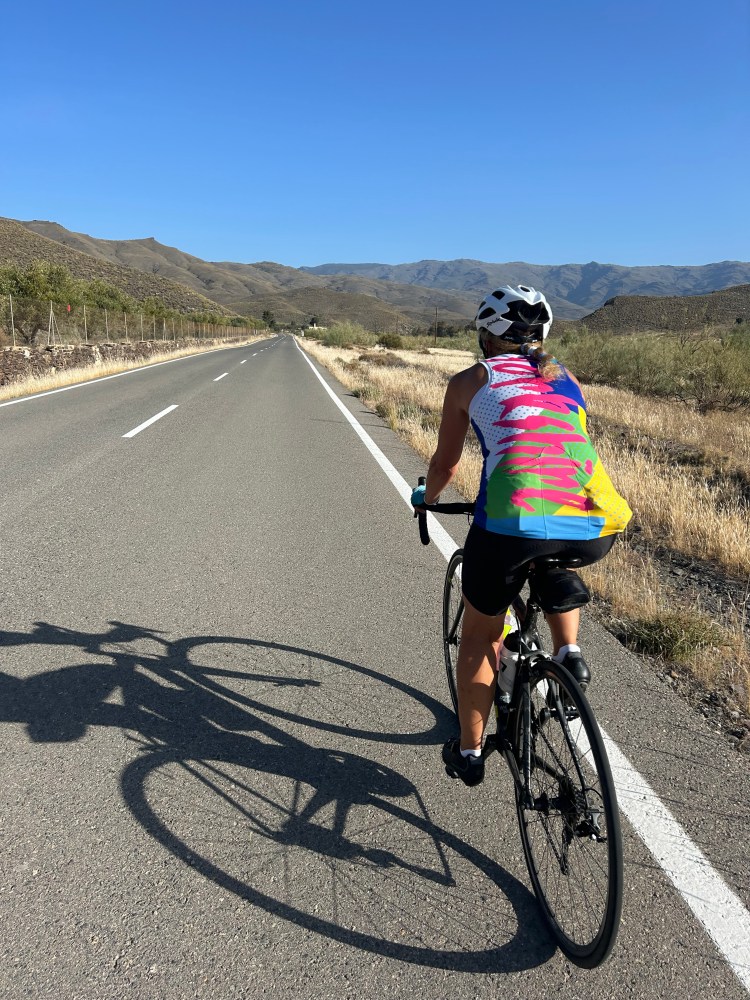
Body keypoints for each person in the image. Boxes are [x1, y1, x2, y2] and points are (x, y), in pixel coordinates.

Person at [412, 285, 632, 787]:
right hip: (594, 523)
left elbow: (447, 462)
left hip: (512, 527)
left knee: (481, 634)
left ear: (487, 336)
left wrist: (426, 496)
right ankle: (567, 654)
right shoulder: (567, 378)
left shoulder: (471, 380)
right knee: (554, 553)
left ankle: (469, 752)